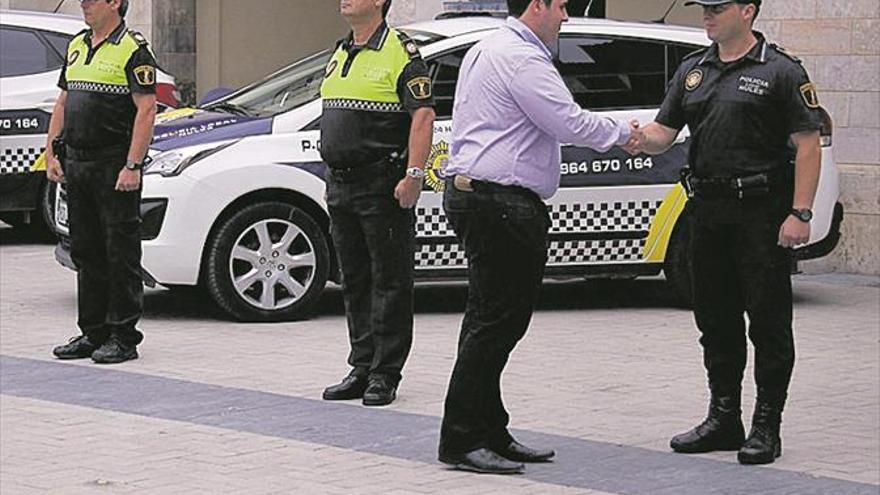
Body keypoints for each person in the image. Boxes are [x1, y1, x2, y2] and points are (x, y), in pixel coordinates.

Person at [437, 0, 637, 474]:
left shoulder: (491, 47)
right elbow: (568, 122)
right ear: (537, 6)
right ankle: (463, 437)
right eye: (562, 6)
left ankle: (488, 428)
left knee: (489, 319)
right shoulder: (521, 58)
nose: (566, 17)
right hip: (499, 205)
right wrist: (625, 132)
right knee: (497, 323)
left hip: (483, 199)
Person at [629, 0, 823, 465]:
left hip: (760, 213)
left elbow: (808, 143)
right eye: (704, 8)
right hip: (706, 212)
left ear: (749, 11)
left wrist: (800, 213)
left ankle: (766, 425)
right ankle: (724, 417)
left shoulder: (781, 71)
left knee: (769, 323)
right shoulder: (693, 70)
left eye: (718, 7)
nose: (707, 15)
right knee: (715, 321)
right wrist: (634, 136)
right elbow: (665, 130)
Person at [319, 0, 435, 406]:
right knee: (355, 280)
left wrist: (414, 176)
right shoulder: (339, 51)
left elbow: (422, 117)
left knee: (389, 281)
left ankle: (386, 373)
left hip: (382, 185)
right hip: (342, 186)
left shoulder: (400, 51)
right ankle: (362, 365)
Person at [47, 0, 157, 364]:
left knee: (119, 252)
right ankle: (92, 331)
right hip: (78, 163)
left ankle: (123, 336)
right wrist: (52, 153)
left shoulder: (133, 49)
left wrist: (133, 164)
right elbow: (63, 102)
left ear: (115, 3)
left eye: (92, 0)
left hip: (113, 165)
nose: (84, 5)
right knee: (86, 250)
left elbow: (146, 109)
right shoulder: (77, 45)